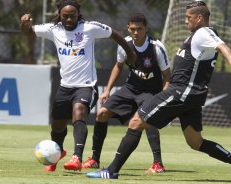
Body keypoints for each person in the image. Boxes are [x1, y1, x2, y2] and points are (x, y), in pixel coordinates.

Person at [86, 1, 231, 179]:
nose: (186, 21)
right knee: (195, 142)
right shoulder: (200, 35)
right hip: (190, 96)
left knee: (136, 122)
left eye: (188, 18)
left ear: (200, 18)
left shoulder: (204, 33)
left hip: (181, 91)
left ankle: (111, 171)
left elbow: (224, 49)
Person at [20, 0, 136, 172]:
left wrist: (130, 53)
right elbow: (29, 32)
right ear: (59, 15)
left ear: (78, 15)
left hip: (86, 85)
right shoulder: (54, 30)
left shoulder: (89, 28)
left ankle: (77, 157)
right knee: (57, 126)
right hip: (65, 87)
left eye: (72, 16)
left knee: (78, 112)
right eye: (65, 16)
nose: (68, 19)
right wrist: (24, 24)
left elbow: (114, 34)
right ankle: (56, 154)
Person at [82, 13, 170, 174]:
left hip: (150, 91)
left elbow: (166, 76)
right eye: (133, 29)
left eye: (139, 29)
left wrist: (162, 97)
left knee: (147, 120)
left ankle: (158, 164)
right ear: (128, 28)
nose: (136, 33)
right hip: (130, 88)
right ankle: (94, 159)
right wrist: (107, 90)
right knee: (101, 113)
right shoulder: (125, 44)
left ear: (146, 29)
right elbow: (118, 66)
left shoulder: (157, 47)